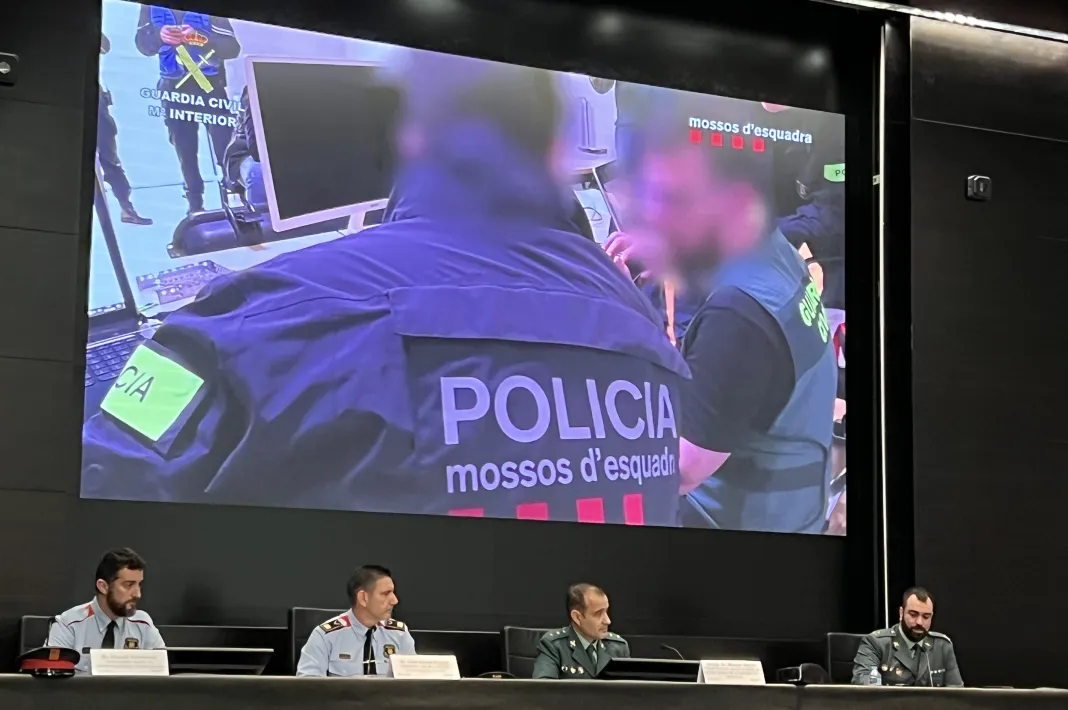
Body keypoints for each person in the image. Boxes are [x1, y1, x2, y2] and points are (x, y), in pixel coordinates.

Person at [81, 53, 689, 525]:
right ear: (557, 150)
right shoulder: (640, 320)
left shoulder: (252, 321)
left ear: (409, 138)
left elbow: (103, 480)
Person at [605, 109, 837, 533]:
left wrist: (626, 317)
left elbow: (675, 472)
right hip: (793, 508)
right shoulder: (773, 250)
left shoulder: (738, 319)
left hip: (737, 533)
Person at [135, 6, 240, 215]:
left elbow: (232, 48)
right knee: (185, 151)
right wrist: (159, 36)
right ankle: (195, 205)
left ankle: (236, 197)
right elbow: (143, 45)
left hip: (210, 88)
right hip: (174, 90)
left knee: (225, 147)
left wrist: (201, 38)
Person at [46, 548, 165, 675]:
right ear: (103, 586)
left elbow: (163, 675)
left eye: (139, 584)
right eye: (129, 585)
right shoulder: (68, 625)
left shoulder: (143, 624)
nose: (138, 594)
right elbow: (53, 685)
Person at [296, 565, 416, 677]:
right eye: (385, 594)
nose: (394, 600)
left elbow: (415, 682)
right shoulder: (326, 636)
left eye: (393, 592)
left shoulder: (399, 633)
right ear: (363, 598)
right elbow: (308, 686)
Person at [851, 587, 963, 687]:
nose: (919, 622)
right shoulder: (876, 643)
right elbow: (865, 691)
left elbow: (957, 696)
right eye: (913, 615)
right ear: (901, 613)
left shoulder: (942, 646)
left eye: (926, 617)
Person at [98, 33, 152, 225]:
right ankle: (126, 209)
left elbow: (105, 46)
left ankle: (126, 209)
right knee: (110, 163)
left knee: (111, 162)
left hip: (98, 103)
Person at [533, 583, 629, 679]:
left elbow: (629, 691)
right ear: (577, 617)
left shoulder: (618, 647)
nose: (607, 621)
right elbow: (543, 690)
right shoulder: (554, 646)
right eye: (598, 614)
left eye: (606, 611)